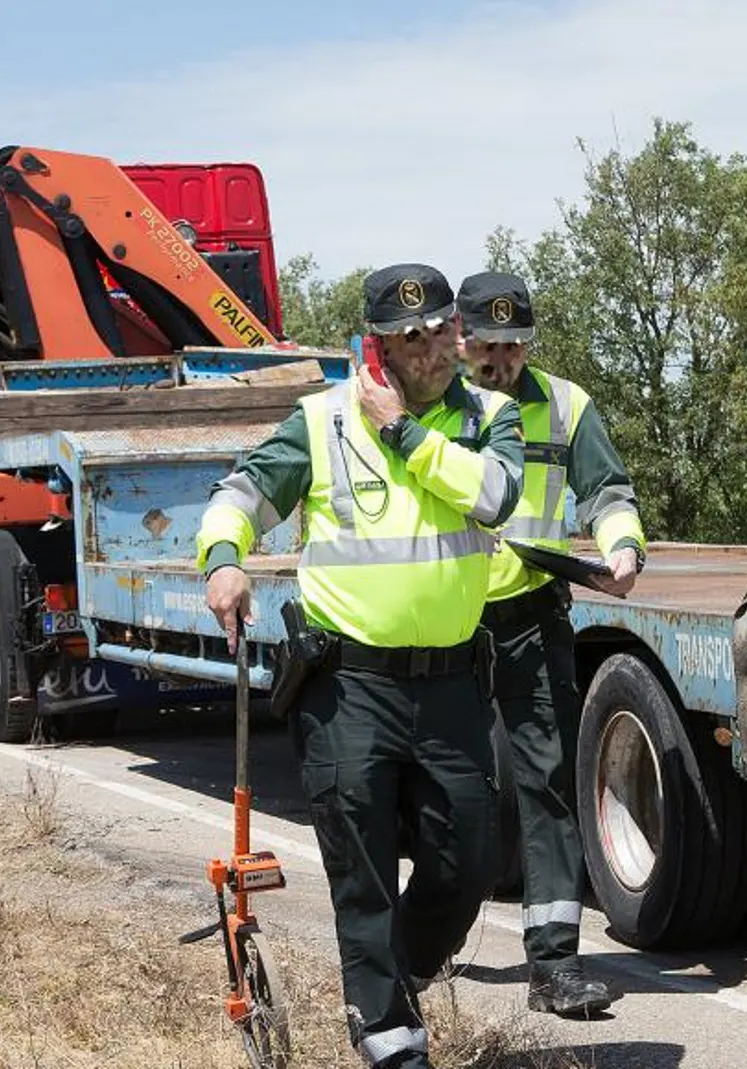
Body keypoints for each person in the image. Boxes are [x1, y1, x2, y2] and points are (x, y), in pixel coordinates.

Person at [198, 263, 525, 1069]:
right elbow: (239, 494)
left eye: (442, 330)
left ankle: (399, 975)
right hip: (349, 686)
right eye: (411, 337)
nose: (433, 349)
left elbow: (495, 498)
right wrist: (224, 558)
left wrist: (406, 436)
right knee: (363, 869)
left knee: (470, 859)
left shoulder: (490, 415)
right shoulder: (320, 422)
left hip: (452, 682)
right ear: (379, 345)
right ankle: (388, 1037)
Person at [456, 271, 644, 1017]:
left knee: (546, 788)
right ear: (459, 339)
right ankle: (429, 940)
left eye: (513, 344)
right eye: (486, 345)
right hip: (447, 622)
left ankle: (554, 967)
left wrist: (622, 546)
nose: (499, 358)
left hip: (533, 616)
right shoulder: (435, 407)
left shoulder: (565, 405)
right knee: (451, 793)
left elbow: (606, 491)